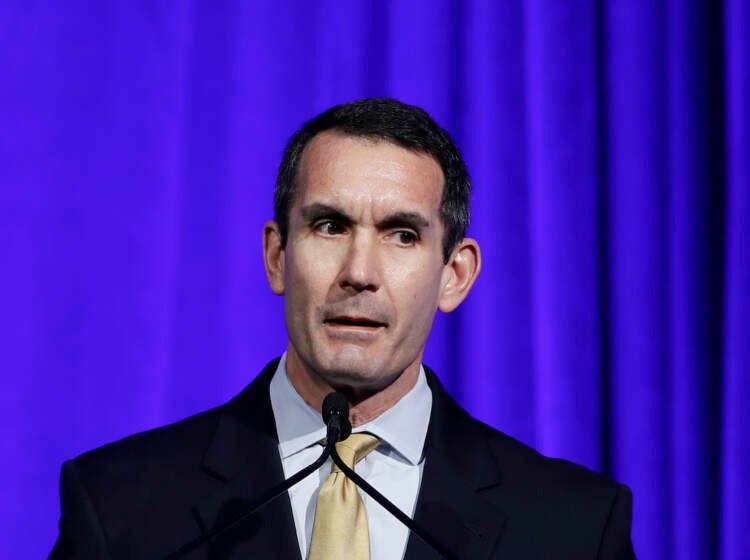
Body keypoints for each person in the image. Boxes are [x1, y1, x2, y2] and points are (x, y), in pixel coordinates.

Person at [51, 98, 636, 559]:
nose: (359, 273)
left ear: (454, 275)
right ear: (278, 256)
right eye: (329, 226)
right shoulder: (120, 507)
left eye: (402, 234)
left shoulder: (573, 528)